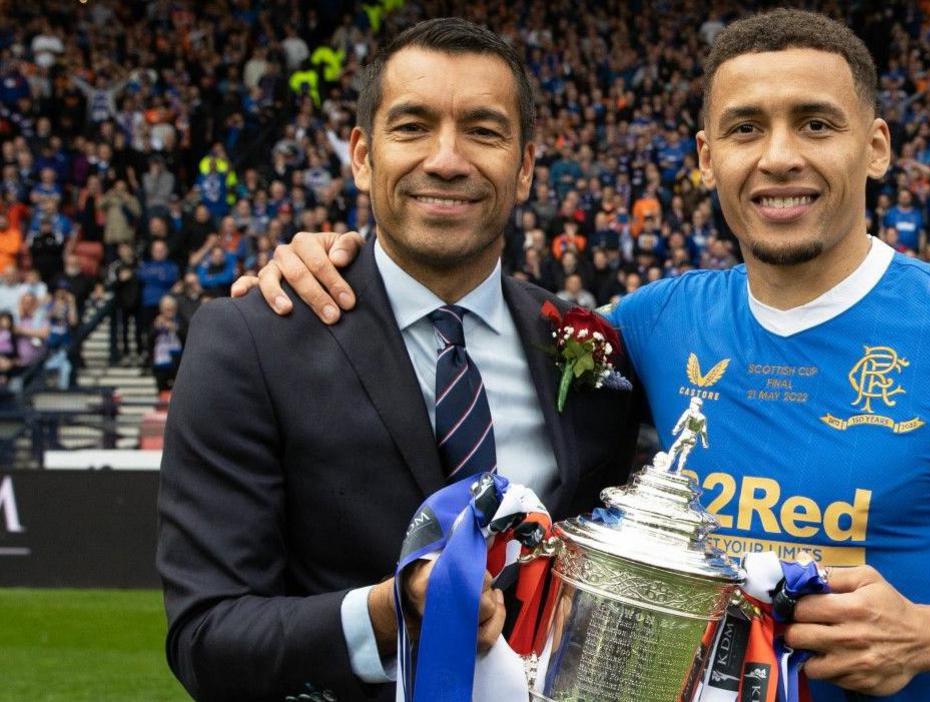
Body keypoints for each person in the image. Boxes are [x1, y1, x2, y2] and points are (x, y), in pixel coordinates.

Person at [237, 10, 930, 701]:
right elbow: (466, 314)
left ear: (875, 145)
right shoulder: (643, 327)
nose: (780, 157)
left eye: (817, 123)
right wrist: (332, 256)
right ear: (704, 156)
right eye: (747, 128)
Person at [158, 19, 642, 702]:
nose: (446, 159)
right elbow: (207, 639)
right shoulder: (250, 340)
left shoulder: (592, 350)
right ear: (362, 155)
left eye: (483, 130)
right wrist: (393, 613)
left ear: (526, 165)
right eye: (412, 126)